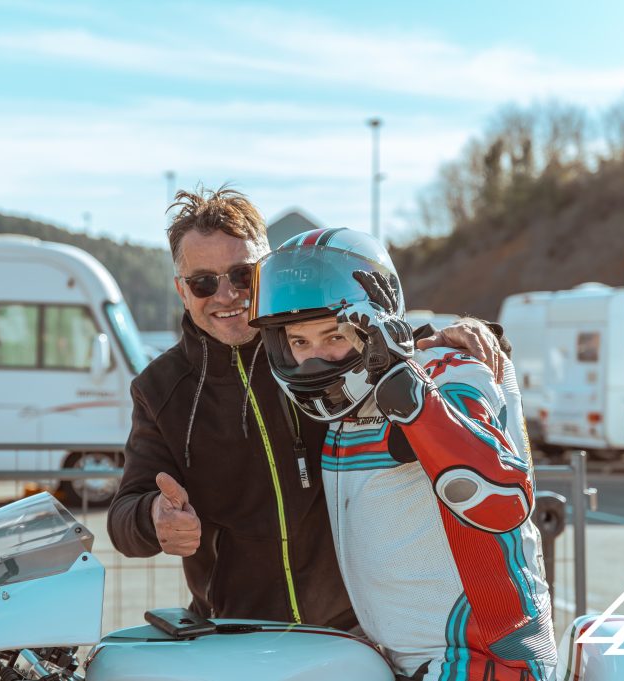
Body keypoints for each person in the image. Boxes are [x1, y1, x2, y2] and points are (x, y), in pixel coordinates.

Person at [107, 186, 506, 630]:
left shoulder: (319, 347)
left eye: (242, 275)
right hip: (238, 633)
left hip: (362, 629)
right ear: (182, 291)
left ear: (269, 272)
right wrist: (153, 517)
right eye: (203, 282)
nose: (225, 296)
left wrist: (469, 330)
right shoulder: (160, 388)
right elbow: (123, 519)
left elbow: (404, 342)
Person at [248, 227, 556, 681]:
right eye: (299, 341)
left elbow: (503, 496)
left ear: (374, 321)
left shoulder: (450, 373)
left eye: (334, 336)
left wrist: (413, 397)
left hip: (483, 659)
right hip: (402, 659)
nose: (315, 359)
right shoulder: (342, 413)